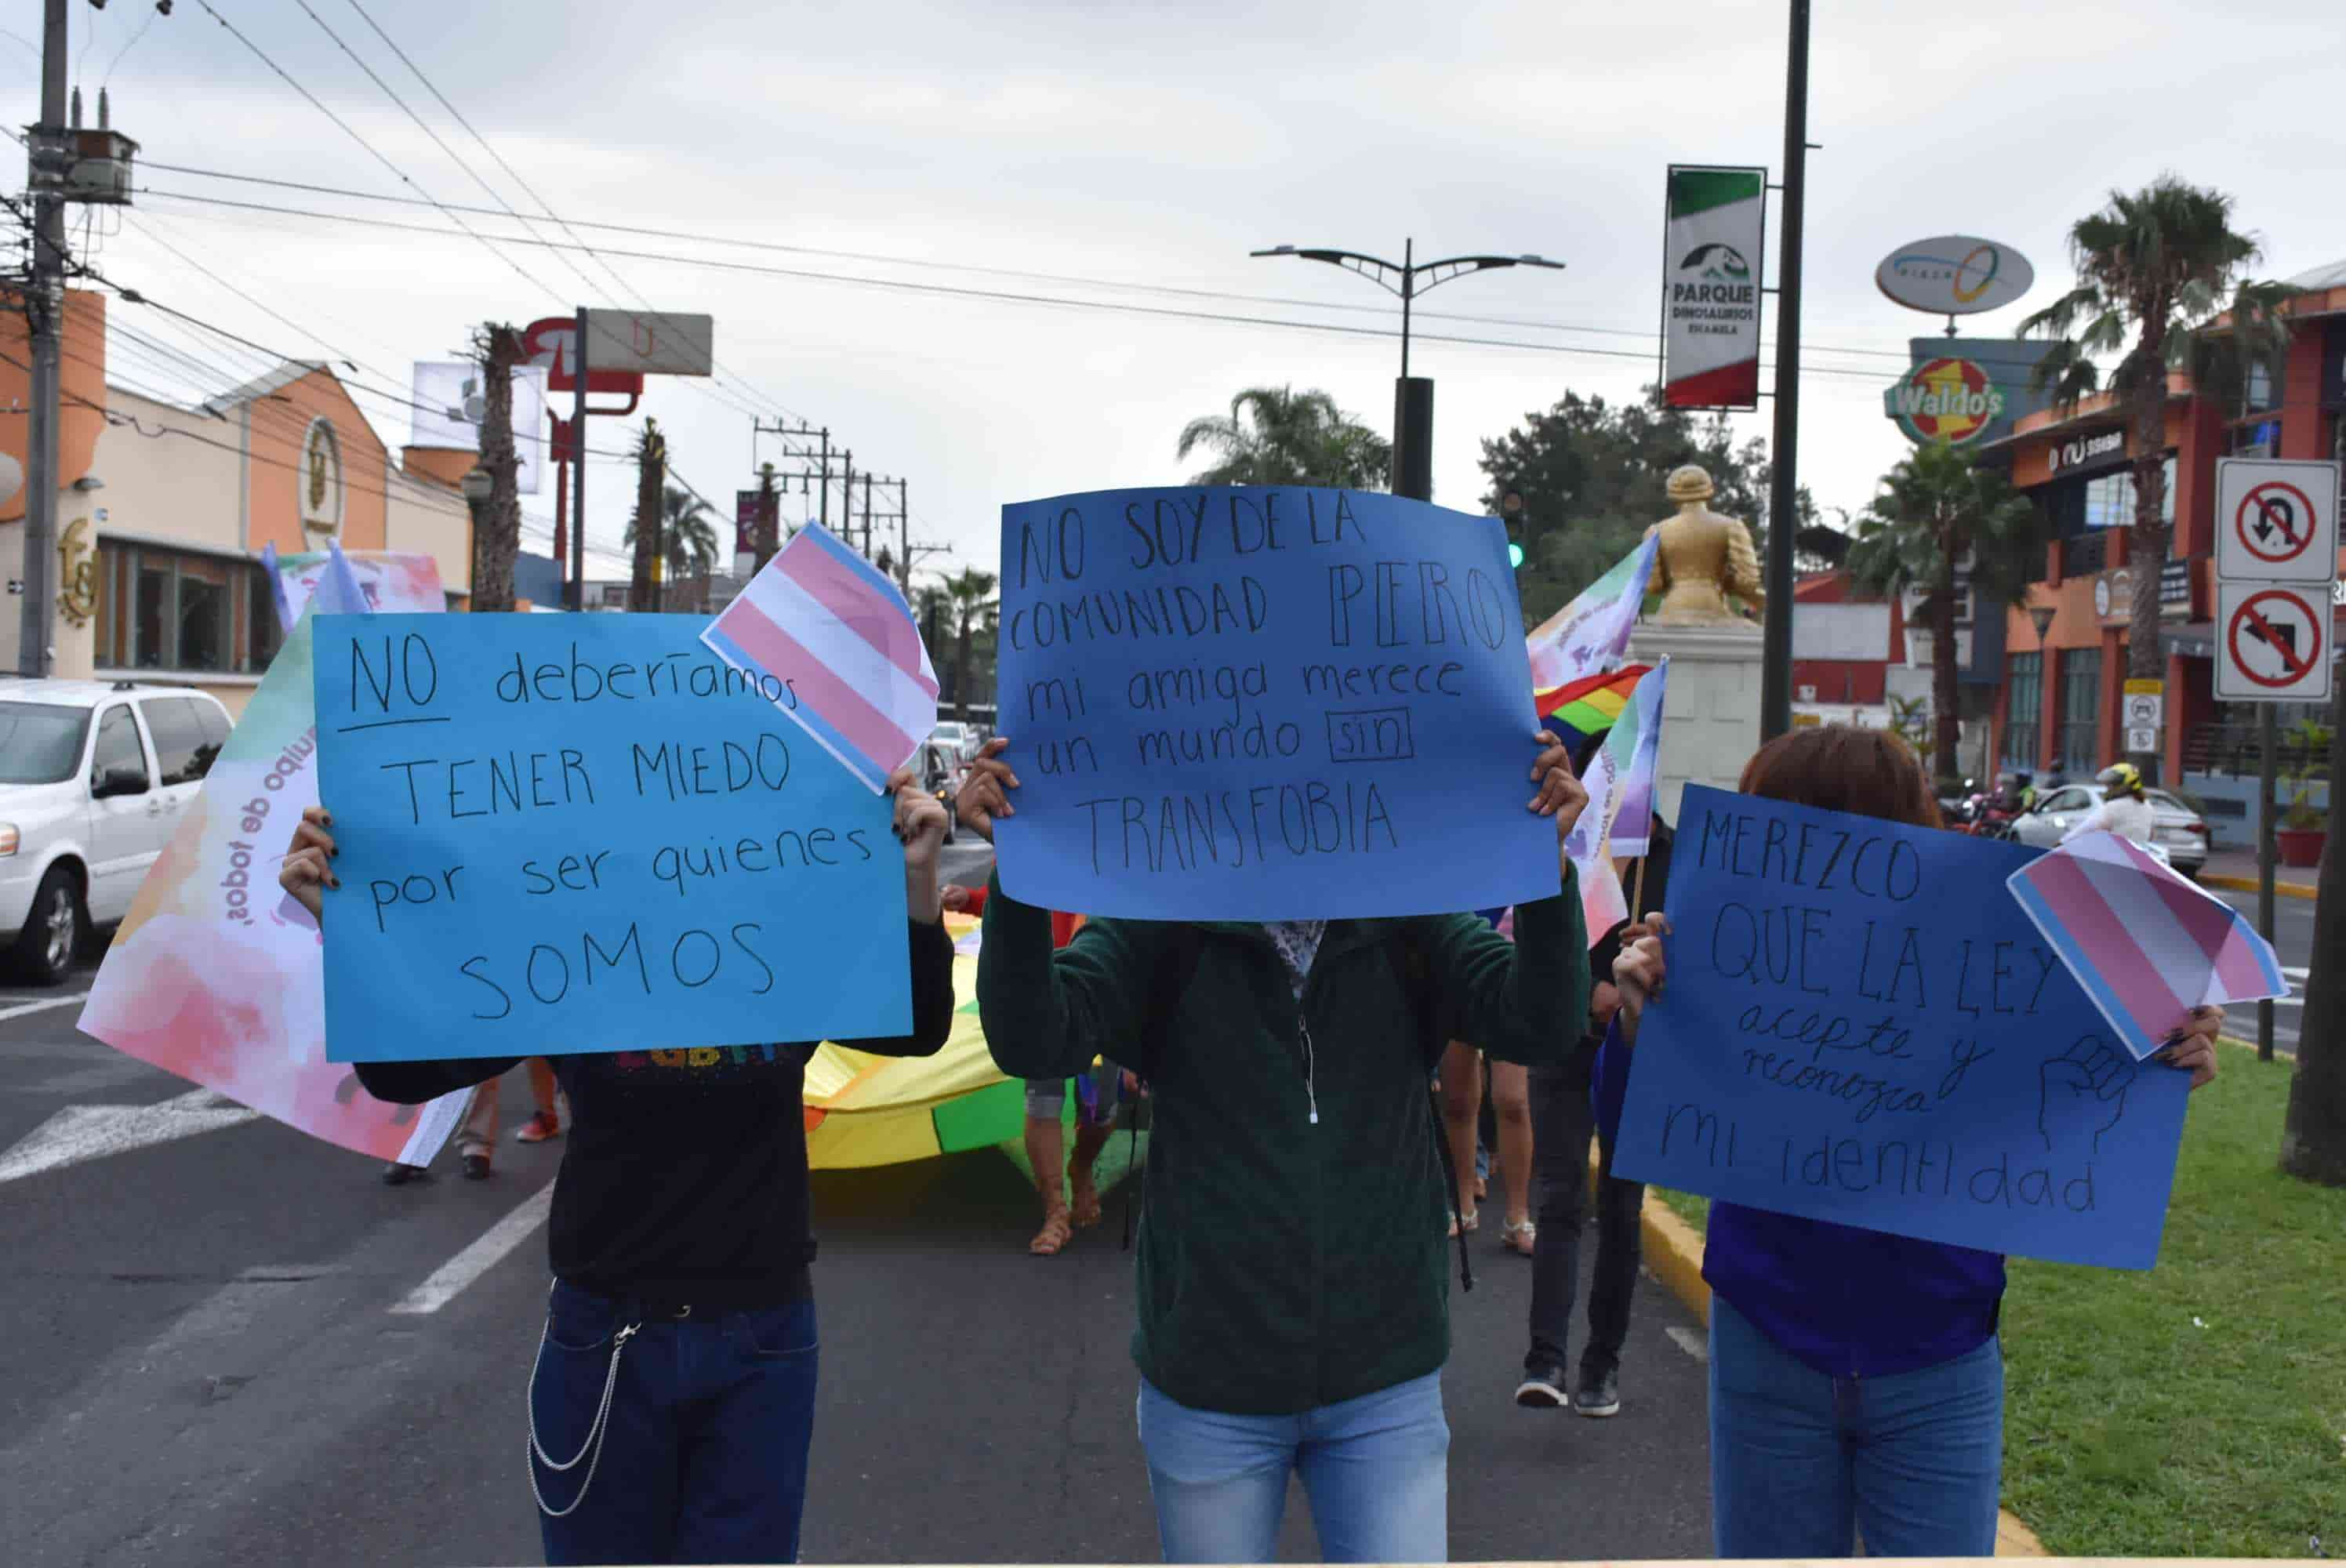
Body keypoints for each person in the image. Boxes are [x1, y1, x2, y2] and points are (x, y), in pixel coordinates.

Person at [277, 768, 957, 1567]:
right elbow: (403, 1072)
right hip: (606, 1332)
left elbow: (913, 1027)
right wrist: (344, 926)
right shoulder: (571, 939)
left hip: (760, 1336)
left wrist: (916, 878)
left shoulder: (781, 928)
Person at [959, 734, 1590, 1566]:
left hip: (1385, 1382)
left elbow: (1538, 1022)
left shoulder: (1408, 910)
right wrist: (1020, 874)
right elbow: (1036, 1038)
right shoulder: (1162, 914)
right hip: (1209, 1386)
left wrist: (1544, 871)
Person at [1603, 725, 2222, 1559]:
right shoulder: (1713, 951)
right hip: (1779, 1336)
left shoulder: (1987, 952)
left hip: (1936, 1350)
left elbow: (2073, 1057)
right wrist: (1645, 1022)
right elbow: (1624, 1131)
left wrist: (2167, 1050)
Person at [1517, 815, 1672, 1417]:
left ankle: (1601, 1365)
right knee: (1559, 1198)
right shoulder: (1569, 846)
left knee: (1620, 1205)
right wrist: (1587, 989)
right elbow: (1531, 934)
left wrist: (1655, 960)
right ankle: (1545, 1360)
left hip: (1636, 1053)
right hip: (1566, 1042)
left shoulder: (1677, 860)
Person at [942, 882, 1110, 1255]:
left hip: (1107, 996)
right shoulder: (1049, 840)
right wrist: (970, 900)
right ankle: (1056, 1212)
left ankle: (1081, 1168)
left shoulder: (1121, 844)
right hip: (1048, 997)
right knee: (1043, 1102)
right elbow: (1020, 887)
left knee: (1102, 1110)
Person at [1438, 1037, 1532, 1251]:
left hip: (1509, 1004)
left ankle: (1517, 1219)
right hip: (1460, 1004)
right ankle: (1463, 1209)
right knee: (1457, 1100)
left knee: (1512, 1100)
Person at [2065, 761, 2155, 846]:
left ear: (2124, 786)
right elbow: (2151, 836)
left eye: (2112, 784)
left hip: (2115, 857)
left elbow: (2091, 831)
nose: (2108, 788)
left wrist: (2065, 842)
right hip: (2138, 859)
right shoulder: (2148, 806)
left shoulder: (2113, 806)